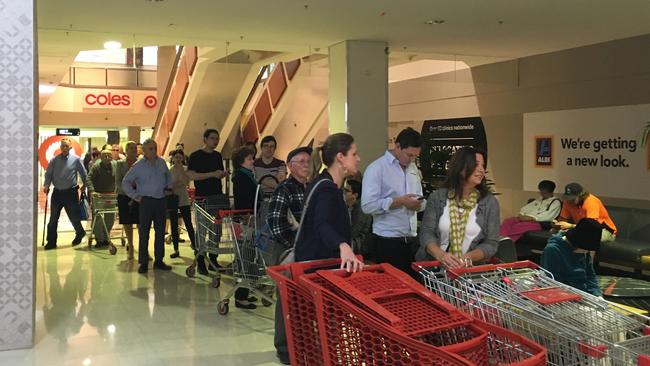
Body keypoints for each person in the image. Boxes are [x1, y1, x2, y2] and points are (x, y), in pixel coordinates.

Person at [415, 146, 500, 269]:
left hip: (469, 272)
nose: (481, 170)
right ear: (460, 168)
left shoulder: (490, 203)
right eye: (476, 165)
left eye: (483, 165)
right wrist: (441, 255)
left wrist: (468, 257)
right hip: (434, 269)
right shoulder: (438, 197)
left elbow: (491, 243)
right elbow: (426, 233)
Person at [268, 146, 312, 364]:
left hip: (308, 253)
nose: (306, 165)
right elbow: (275, 223)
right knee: (286, 300)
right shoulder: (284, 189)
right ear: (290, 166)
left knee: (304, 300)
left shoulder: (312, 189)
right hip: (288, 252)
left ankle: (303, 343)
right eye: (301, 161)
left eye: (308, 161)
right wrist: (294, 246)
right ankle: (284, 347)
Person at [361, 127, 425, 276]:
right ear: (397, 146)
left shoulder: (413, 168)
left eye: (415, 156)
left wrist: (419, 204)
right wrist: (399, 202)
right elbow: (367, 206)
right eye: (409, 155)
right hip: (387, 241)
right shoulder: (377, 168)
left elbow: (419, 197)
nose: (411, 160)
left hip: (411, 239)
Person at [122, 139, 173, 274]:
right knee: (144, 233)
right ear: (143, 151)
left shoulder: (162, 162)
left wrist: (168, 187)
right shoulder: (138, 166)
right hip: (145, 202)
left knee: (160, 232)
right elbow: (125, 182)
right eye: (150, 148)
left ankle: (159, 260)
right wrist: (136, 196)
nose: (154, 151)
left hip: (161, 201)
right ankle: (143, 262)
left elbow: (168, 176)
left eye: (155, 148)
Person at [187, 128, 229, 275]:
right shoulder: (195, 156)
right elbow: (192, 175)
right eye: (212, 138)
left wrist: (222, 174)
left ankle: (213, 258)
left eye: (217, 138)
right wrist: (212, 174)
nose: (215, 141)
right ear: (204, 139)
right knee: (202, 230)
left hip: (217, 197)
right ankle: (200, 260)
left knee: (216, 231)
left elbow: (218, 175)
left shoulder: (218, 156)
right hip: (202, 198)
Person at [43, 137, 88, 250]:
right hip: (57, 193)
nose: (64, 148)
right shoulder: (54, 160)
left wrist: (85, 186)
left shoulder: (76, 160)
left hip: (71, 193)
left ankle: (80, 233)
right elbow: (48, 174)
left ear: (70, 147)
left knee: (74, 217)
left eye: (66, 146)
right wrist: (46, 185)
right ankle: (51, 241)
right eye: (62, 145)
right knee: (53, 219)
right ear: (60, 147)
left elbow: (84, 174)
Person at [541, 218, 603, 296]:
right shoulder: (553, 250)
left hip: (583, 294)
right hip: (564, 296)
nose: (587, 252)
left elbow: (590, 275)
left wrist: (597, 295)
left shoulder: (583, 248)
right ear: (577, 243)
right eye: (586, 249)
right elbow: (552, 282)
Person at [230, 146, 259, 309]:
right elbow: (242, 200)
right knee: (244, 258)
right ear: (241, 161)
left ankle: (245, 291)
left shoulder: (246, 175)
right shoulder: (241, 177)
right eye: (249, 159)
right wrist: (247, 216)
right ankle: (240, 296)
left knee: (248, 257)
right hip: (244, 221)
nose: (252, 161)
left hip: (248, 219)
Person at [168, 149, 195, 259]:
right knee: (174, 225)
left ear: (183, 159)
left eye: (180, 157)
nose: (178, 159)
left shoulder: (186, 169)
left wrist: (177, 182)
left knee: (188, 223)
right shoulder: (169, 171)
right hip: (173, 200)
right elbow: (169, 186)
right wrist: (178, 183)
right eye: (176, 157)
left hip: (184, 200)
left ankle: (195, 245)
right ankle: (176, 249)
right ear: (173, 158)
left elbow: (186, 182)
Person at [87, 148, 116, 248]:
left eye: (109, 155)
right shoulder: (96, 167)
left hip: (111, 195)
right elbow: (89, 178)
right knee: (98, 218)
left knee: (110, 218)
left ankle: (106, 237)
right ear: (100, 157)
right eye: (105, 156)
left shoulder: (115, 165)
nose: (107, 157)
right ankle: (99, 239)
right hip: (98, 196)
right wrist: (92, 191)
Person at [115, 141, 139, 260]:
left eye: (135, 148)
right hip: (124, 196)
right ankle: (130, 245)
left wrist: (136, 193)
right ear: (126, 150)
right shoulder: (120, 164)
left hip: (139, 196)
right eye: (131, 148)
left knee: (141, 222)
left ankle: (143, 248)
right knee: (127, 221)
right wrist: (129, 192)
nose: (134, 150)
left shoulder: (141, 163)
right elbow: (118, 181)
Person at [344, 179, 373, 258]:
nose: (343, 193)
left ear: (355, 195)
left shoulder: (361, 210)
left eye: (346, 191)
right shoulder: (349, 206)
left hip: (361, 248)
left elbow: (353, 232)